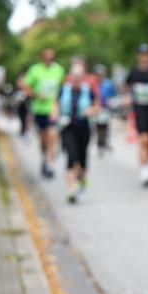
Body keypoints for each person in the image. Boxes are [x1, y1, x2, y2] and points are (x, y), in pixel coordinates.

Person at [52, 59, 99, 204]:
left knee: (82, 159)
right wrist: (54, 113)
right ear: (70, 76)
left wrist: (91, 110)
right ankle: (71, 190)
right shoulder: (64, 89)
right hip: (68, 128)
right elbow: (56, 103)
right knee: (71, 157)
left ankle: (82, 180)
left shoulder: (88, 89)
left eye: (79, 75)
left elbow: (97, 105)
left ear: (83, 76)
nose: (77, 78)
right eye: (74, 75)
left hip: (84, 127)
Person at [20, 48, 65, 179]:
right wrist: (37, 94)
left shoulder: (59, 70)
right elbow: (25, 86)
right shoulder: (35, 70)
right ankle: (44, 159)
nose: (49, 59)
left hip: (53, 109)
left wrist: (59, 102)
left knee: (52, 135)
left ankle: (50, 164)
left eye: (51, 57)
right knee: (43, 138)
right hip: (39, 109)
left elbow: (63, 88)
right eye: (47, 57)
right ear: (42, 57)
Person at [125, 44, 148, 188]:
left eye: (147, 54)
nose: (145, 57)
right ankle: (144, 170)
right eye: (142, 54)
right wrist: (127, 97)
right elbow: (126, 87)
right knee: (143, 140)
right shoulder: (134, 72)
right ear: (138, 57)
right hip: (140, 110)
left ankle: (147, 164)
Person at [93, 63, 116, 156]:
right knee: (97, 126)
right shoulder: (93, 83)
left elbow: (113, 95)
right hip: (95, 108)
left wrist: (111, 102)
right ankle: (99, 143)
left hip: (105, 108)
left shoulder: (108, 83)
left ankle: (104, 142)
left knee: (104, 126)